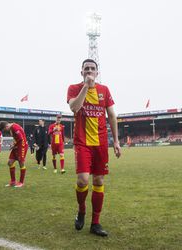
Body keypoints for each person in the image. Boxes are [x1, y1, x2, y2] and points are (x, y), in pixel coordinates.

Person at [67, 59, 121, 237]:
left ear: (97, 72)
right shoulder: (74, 88)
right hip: (82, 142)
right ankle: (81, 210)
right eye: (86, 69)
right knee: (82, 180)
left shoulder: (104, 90)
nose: (89, 71)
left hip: (101, 142)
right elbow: (74, 108)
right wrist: (86, 87)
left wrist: (116, 141)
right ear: (81, 72)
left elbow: (112, 115)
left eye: (92, 69)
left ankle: (95, 223)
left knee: (98, 181)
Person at [0, 121, 28, 188]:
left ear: (6, 126)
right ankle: (13, 181)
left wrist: (14, 145)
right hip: (17, 146)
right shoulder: (12, 127)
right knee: (10, 162)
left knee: (21, 163)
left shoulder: (14, 127)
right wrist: (14, 144)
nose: (5, 131)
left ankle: (21, 182)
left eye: (4, 130)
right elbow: (17, 138)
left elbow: (21, 139)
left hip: (22, 146)